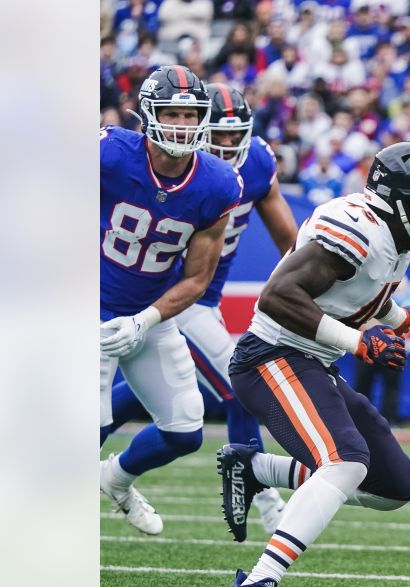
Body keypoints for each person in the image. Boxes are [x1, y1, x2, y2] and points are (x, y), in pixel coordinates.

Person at [216, 142, 410, 587]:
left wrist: (394, 315)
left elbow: (349, 291)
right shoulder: (358, 228)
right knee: (346, 461)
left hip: (311, 362)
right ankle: (256, 584)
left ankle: (254, 467)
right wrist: (360, 343)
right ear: (406, 201)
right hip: (271, 357)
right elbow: (278, 296)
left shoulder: (392, 236)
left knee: (393, 486)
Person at [106, 83, 297, 538]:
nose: (228, 145)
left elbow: (291, 243)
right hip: (158, 293)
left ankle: (112, 476)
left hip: (191, 298)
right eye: (221, 135)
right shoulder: (139, 158)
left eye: (237, 136)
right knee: (239, 382)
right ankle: (263, 491)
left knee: (162, 406)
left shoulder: (245, 168)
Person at [100, 65, 243, 536]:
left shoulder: (218, 184)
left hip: (149, 311)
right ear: (147, 115)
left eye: (190, 114)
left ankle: (116, 479)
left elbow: (198, 278)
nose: (182, 124)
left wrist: (145, 321)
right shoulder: (110, 154)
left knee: (184, 431)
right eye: (172, 113)